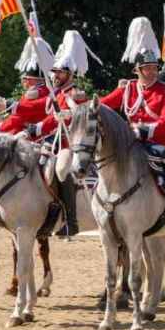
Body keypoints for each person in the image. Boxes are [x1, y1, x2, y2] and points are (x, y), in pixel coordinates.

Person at [101, 17, 165, 246]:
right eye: (147, 69)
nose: (151, 73)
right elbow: (101, 105)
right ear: (137, 70)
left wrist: (142, 130)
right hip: (131, 146)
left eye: (154, 68)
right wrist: (79, 102)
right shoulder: (127, 89)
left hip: (161, 146)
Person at [27, 30, 96, 238]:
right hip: (50, 144)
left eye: (60, 73)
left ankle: (71, 220)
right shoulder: (54, 93)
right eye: (54, 72)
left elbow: (61, 117)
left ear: (70, 74)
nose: (56, 75)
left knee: (60, 169)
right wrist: (9, 106)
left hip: (69, 145)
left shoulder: (75, 94)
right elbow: (35, 107)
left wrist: (39, 127)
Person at [0, 36, 55, 134]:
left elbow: (20, 117)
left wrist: (0, 128)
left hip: (32, 134)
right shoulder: (39, 90)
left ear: (31, 80)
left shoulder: (37, 93)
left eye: (25, 79)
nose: (23, 82)